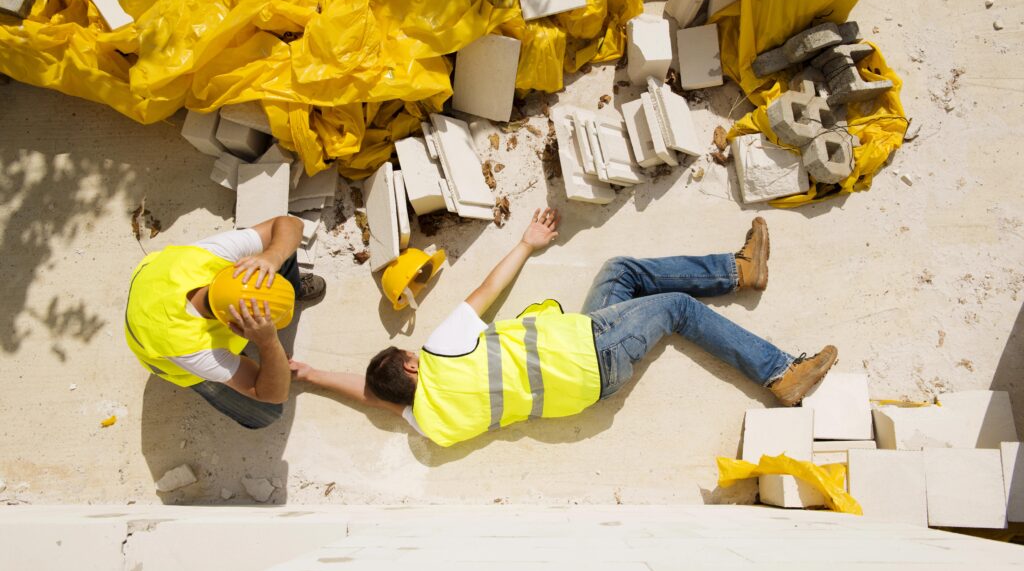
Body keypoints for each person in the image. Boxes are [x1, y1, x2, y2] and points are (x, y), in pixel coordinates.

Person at [291, 209, 837, 447]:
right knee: (676, 308)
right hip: (594, 350)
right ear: (411, 364)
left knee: (619, 273)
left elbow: (374, 398)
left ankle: (742, 270)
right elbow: (486, 291)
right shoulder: (440, 351)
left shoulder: (429, 424)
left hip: (585, 378)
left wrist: (313, 374)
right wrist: (527, 242)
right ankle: (779, 373)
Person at [125, 216, 326, 429]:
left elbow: (289, 224)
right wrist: (268, 344)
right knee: (265, 413)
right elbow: (273, 395)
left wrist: (272, 257)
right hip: (160, 342)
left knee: (281, 246)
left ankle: (286, 278)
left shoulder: (210, 259)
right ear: (237, 328)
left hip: (156, 285)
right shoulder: (194, 349)